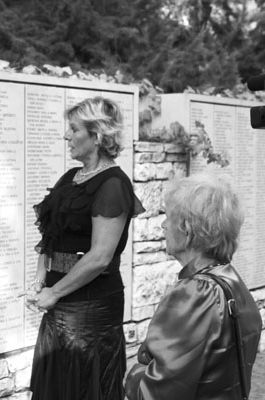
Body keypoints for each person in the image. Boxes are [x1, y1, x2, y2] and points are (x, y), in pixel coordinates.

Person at [26, 96, 145, 400]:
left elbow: (100, 257)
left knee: (84, 387)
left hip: (92, 309)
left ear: (97, 135)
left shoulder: (113, 185)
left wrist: (54, 292)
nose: (67, 136)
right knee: (57, 386)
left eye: (74, 129)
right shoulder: (70, 178)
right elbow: (50, 236)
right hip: (59, 302)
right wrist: (40, 282)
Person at [125, 173, 262, 400]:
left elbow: (156, 393)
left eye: (167, 218)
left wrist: (133, 374)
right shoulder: (233, 280)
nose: (162, 225)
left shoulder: (194, 293)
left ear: (186, 230)